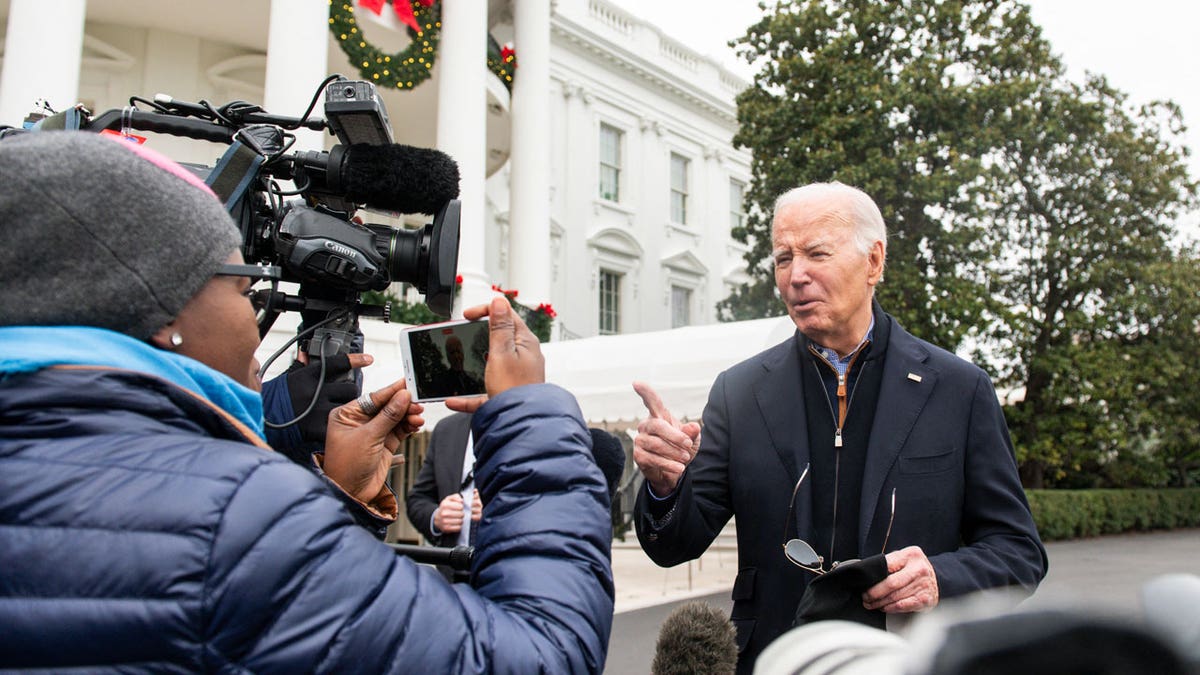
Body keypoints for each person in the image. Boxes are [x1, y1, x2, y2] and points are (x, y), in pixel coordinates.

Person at [0, 131, 614, 672]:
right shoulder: (235, 519)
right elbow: (541, 654)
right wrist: (530, 411)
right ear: (162, 311)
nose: (257, 313)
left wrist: (335, 506)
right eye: (242, 284)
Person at [631, 182, 1047, 673]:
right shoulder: (739, 392)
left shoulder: (958, 389)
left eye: (816, 253)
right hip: (776, 660)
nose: (796, 276)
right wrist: (664, 486)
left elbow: (1018, 552)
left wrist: (940, 575)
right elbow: (677, 544)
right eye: (783, 258)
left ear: (873, 261)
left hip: (908, 660)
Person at [405, 411, 481, 581]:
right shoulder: (447, 429)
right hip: (452, 579)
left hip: (511, 581)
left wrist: (503, 510)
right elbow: (418, 499)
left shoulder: (538, 427)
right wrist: (436, 517)